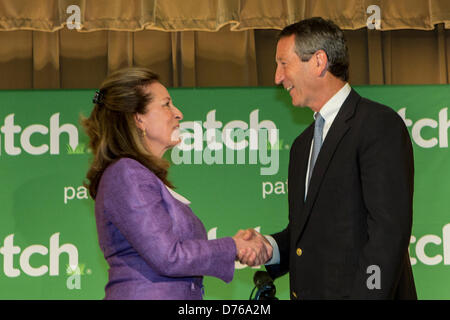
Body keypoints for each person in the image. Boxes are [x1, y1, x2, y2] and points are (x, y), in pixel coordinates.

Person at [238, 17, 417, 299]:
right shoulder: (301, 146)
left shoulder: (378, 125)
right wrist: (269, 247)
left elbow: (387, 235)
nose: (277, 77)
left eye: (284, 63)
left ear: (319, 61)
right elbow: (306, 235)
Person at [82, 67, 271, 300]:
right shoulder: (127, 173)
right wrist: (233, 246)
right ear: (138, 118)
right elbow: (169, 256)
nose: (178, 113)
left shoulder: (140, 175)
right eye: (166, 104)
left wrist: (236, 245)